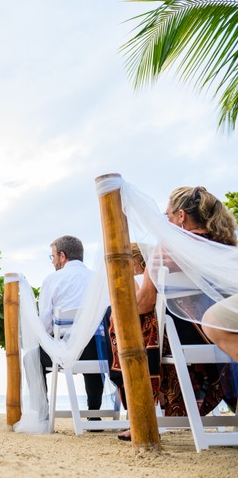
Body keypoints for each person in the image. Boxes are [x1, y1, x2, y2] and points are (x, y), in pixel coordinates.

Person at [133, 186, 237, 427]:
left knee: (121, 319)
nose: (166, 223)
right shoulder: (227, 243)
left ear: (181, 216)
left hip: (193, 335)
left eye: (167, 216)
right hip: (227, 332)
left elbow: (146, 302)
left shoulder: (166, 249)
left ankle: (143, 410)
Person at [38, 235, 106, 424]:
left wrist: (51, 341)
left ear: (62, 256)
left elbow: (45, 324)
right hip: (99, 351)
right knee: (93, 339)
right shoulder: (100, 279)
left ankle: (43, 413)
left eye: (53, 257)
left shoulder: (52, 280)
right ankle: (94, 413)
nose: (52, 262)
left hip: (65, 351)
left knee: (32, 358)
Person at [105, 243, 161, 441]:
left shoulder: (137, 280)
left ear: (135, 263)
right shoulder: (151, 277)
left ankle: (138, 420)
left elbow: (136, 308)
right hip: (165, 336)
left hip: (143, 344)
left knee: (111, 312)